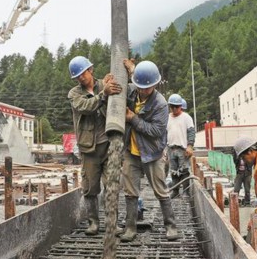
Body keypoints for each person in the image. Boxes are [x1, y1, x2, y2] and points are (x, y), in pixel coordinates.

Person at [120, 60, 179, 242]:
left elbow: (156, 131)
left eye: (148, 88)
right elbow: (134, 78)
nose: (144, 91)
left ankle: (170, 226)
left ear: (155, 84)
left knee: (161, 190)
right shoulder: (133, 90)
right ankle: (130, 228)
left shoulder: (160, 104)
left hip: (152, 153)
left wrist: (133, 119)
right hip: (132, 151)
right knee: (130, 191)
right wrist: (131, 70)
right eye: (141, 87)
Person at [67, 55, 122, 235]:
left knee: (111, 185)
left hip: (107, 144)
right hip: (88, 148)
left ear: (90, 70)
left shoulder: (104, 84)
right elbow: (85, 107)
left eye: (83, 73)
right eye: (77, 76)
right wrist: (103, 94)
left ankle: (112, 223)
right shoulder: (75, 94)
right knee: (90, 188)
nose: (81, 78)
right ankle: (93, 222)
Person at [166, 94, 195, 198]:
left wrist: (190, 146)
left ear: (180, 106)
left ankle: (186, 192)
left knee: (184, 171)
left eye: (176, 107)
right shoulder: (167, 118)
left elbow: (191, 132)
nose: (174, 109)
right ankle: (175, 191)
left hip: (182, 148)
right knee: (173, 171)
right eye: (172, 107)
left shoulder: (186, 117)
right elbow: (164, 133)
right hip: (171, 148)